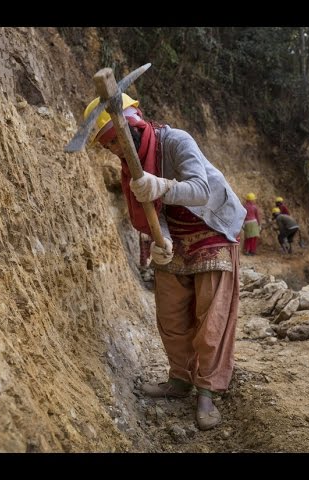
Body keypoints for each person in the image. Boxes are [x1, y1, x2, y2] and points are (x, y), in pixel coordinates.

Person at [83, 93, 246, 430]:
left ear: (134, 126)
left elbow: (201, 190)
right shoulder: (131, 166)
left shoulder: (176, 141)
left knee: (211, 319)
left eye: (114, 141)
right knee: (171, 315)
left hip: (212, 227)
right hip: (179, 238)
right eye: (106, 145)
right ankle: (180, 379)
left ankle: (207, 391)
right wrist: (164, 239)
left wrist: (161, 186)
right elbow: (150, 212)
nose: (114, 151)